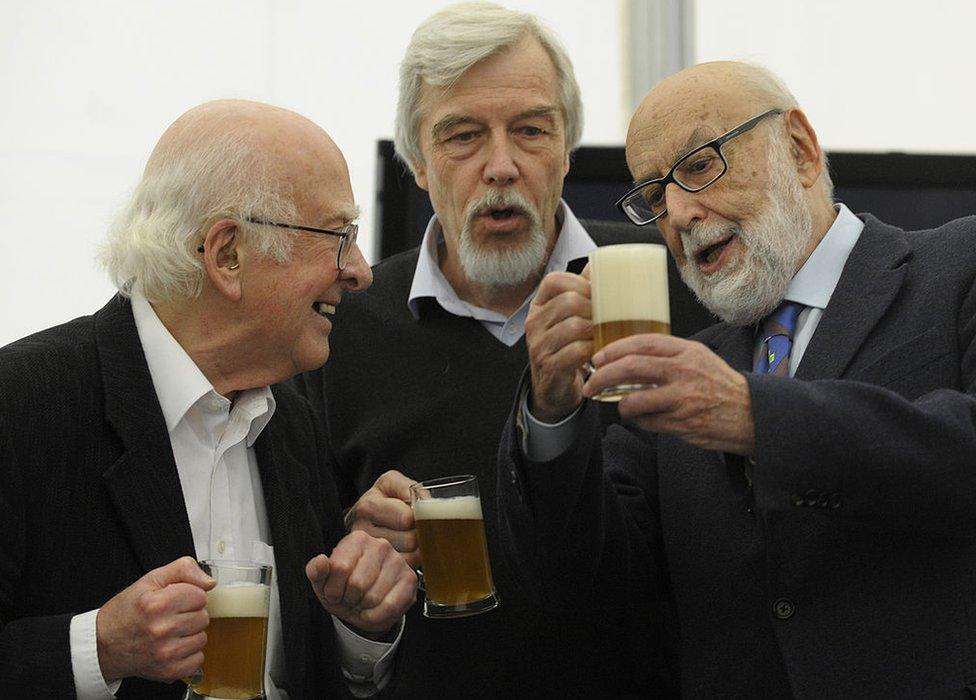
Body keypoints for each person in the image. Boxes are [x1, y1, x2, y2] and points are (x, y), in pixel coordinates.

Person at [500, 59, 976, 698]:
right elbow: (589, 583)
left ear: (800, 151)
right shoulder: (686, 371)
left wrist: (757, 417)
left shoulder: (954, 268)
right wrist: (553, 413)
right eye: (652, 195)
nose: (678, 213)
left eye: (699, 165)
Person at [289, 2, 683, 696]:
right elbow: (313, 626)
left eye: (531, 130)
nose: (500, 167)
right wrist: (359, 578)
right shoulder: (338, 332)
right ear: (416, 161)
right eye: (462, 136)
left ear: (567, 148)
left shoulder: (674, 281)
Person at [0, 100, 417, 699]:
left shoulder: (291, 423)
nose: (359, 271)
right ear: (227, 254)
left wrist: (358, 624)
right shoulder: (22, 404)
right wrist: (99, 648)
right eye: (338, 236)